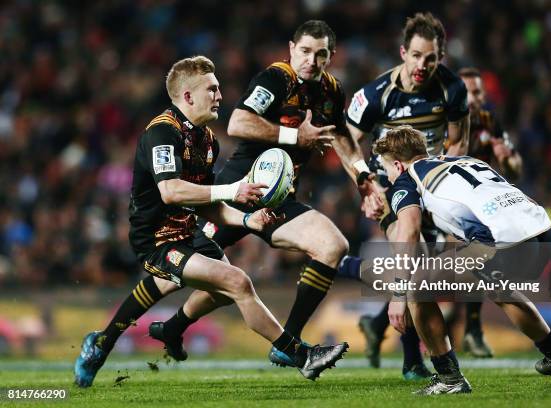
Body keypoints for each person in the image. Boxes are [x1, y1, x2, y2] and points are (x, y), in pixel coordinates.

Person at [73, 56, 348, 388]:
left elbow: (209, 206)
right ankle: (300, 355)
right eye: (212, 89)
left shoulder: (207, 140)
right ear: (188, 96)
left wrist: (249, 218)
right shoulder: (163, 132)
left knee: (219, 291)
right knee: (237, 281)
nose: (220, 95)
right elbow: (172, 191)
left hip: (187, 230)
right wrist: (232, 188)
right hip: (158, 241)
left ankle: (104, 343)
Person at [147, 20, 369, 368]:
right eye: (305, 51)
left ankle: (288, 343)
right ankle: (130, 332)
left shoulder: (331, 90)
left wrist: (363, 176)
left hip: (280, 197)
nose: (312, 60)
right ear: (292, 49)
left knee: (332, 246)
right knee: (180, 278)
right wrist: (295, 137)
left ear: (331, 56)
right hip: (238, 192)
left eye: (321, 54)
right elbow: (237, 123)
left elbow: (341, 136)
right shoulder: (275, 79)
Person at [373, 125, 551, 395]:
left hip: (496, 244)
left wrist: (398, 294)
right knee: (501, 290)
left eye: (387, 169)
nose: (388, 176)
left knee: (417, 287)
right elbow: (528, 203)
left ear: (398, 165)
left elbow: (409, 230)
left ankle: (450, 379)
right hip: (538, 240)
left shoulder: (406, 179)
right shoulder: (469, 160)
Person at [339, 12, 469, 379]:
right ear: (403, 52)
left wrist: (444, 189)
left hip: (433, 186)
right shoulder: (374, 94)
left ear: (440, 57)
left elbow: (458, 142)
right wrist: (366, 183)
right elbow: (346, 141)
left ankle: (349, 276)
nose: (422, 65)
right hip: (391, 187)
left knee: (429, 271)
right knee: (410, 253)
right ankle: (413, 361)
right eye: (415, 55)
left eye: (430, 58)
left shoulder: (452, 89)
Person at [449, 67, 524, 358]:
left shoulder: (490, 121)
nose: (476, 97)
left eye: (479, 91)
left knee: (472, 264)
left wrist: (509, 157)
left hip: (478, 207)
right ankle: (469, 331)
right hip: (447, 205)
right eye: (469, 90)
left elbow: (515, 167)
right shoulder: (448, 121)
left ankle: (472, 331)